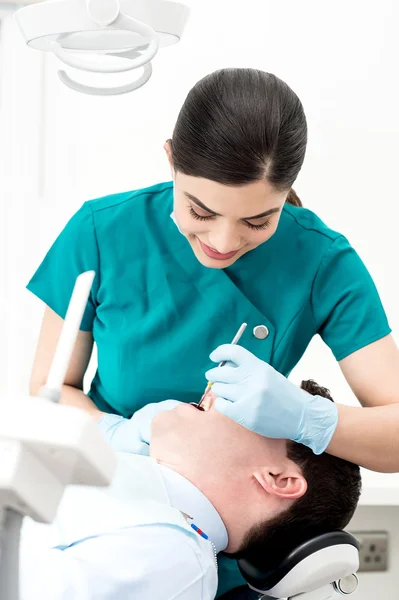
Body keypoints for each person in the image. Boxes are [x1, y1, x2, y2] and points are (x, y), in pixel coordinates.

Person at [25, 68, 399, 596]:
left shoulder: (322, 261)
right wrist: (121, 441)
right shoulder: (103, 231)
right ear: (172, 159)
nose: (223, 241)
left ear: (287, 192)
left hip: (220, 547)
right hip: (103, 501)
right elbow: (51, 390)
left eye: (258, 221)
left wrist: (306, 418)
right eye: (200, 211)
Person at [19, 381, 361, 600]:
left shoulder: (171, 555)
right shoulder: (133, 495)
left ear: (279, 479)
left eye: (263, 406)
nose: (213, 391)